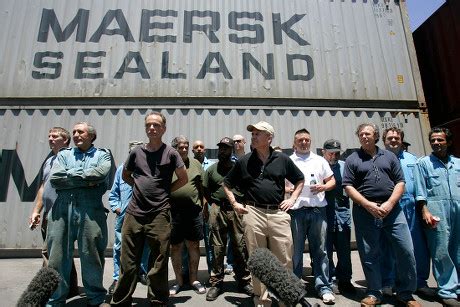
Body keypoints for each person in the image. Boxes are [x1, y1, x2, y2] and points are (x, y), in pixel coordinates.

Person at [223, 121, 305, 307]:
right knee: (258, 260)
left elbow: (299, 179)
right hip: (253, 213)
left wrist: (292, 199)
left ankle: (286, 299)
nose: (253, 136)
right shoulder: (244, 161)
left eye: (258, 133)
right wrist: (235, 203)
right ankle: (262, 300)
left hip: (278, 213)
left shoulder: (282, 159)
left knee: (284, 259)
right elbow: (227, 184)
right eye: (252, 134)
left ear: (269, 138)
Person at [111, 112, 188, 306]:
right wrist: (138, 186)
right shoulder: (136, 152)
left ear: (163, 128)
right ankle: (120, 301)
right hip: (134, 213)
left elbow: (183, 178)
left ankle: (157, 300)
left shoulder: (171, 153)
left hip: (160, 214)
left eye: (156, 125)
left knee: (158, 261)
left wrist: (165, 192)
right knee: (128, 263)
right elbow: (127, 175)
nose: (151, 128)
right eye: (148, 125)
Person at [342, 123, 420, 307]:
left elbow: (400, 182)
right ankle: (374, 292)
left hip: (393, 211)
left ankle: (406, 293)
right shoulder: (353, 159)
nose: (364, 137)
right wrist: (368, 204)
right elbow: (348, 186)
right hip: (364, 212)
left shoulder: (390, 156)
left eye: (367, 133)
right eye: (361, 134)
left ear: (376, 136)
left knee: (405, 251)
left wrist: (390, 203)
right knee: (370, 254)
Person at [47, 122, 112, 306]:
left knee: (91, 254)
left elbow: (100, 175)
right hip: (62, 208)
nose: (75, 135)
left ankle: (96, 297)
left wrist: (71, 176)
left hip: (91, 209)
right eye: (74, 132)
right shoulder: (64, 154)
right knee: (57, 257)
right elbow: (56, 178)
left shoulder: (103, 155)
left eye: (80, 132)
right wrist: (86, 179)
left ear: (91, 136)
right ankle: (56, 299)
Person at [381, 128, 433, 297]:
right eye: (390, 138)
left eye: (397, 138)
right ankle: (390, 281)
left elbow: (420, 185)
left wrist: (423, 206)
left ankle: (420, 282)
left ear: (402, 140)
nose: (394, 140)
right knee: (389, 245)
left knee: (416, 245)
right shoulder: (379, 158)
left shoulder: (413, 160)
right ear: (384, 141)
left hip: (410, 205)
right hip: (389, 205)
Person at [28, 127, 79, 298]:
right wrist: (36, 211)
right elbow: (44, 187)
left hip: (63, 213)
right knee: (62, 252)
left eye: (55, 136)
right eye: (49, 136)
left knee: (50, 253)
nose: (50, 138)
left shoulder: (72, 157)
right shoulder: (49, 161)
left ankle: (49, 289)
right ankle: (70, 288)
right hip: (48, 213)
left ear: (65, 140)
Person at [288, 129, 336, 304]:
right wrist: (291, 190)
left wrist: (323, 187)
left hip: (318, 211)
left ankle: (324, 287)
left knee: (321, 251)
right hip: (296, 211)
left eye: (307, 140)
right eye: (300, 140)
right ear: (294, 143)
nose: (304, 142)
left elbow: (332, 181)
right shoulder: (288, 161)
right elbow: (281, 185)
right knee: (296, 252)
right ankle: (294, 288)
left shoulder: (320, 160)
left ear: (311, 141)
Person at [414, 127, 460, 307]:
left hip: (458, 207)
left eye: (440, 140)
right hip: (436, 209)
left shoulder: (458, 163)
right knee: (441, 250)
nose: (436, 143)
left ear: (448, 142)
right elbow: (420, 191)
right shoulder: (423, 163)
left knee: (458, 250)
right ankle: (447, 291)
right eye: (433, 140)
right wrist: (425, 211)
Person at [203, 137, 252, 301]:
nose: (222, 151)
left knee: (240, 246)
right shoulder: (211, 170)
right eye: (221, 148)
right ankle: (216, 283)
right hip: (217, 209)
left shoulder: (239, 169)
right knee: (217, 248)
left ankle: (244, 281)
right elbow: (205, 190)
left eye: (226, 148)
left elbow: (247, 188)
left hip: (236, 210)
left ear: (232, 150)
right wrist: (214, 205)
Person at [108, 141, 150, 295]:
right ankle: (117, 277)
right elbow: (113, 194)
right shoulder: (121, 170)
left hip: (144, 214)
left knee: (145, 245)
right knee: (120, 247)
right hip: (124, 216)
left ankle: (142, 272)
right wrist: (117, 208)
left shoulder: (148, 170)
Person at [168, 136, 206, 296]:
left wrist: (204, 207)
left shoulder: (196, 164)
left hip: (193, 212)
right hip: (173, 213)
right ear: (174, 148)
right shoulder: (167, 165)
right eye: (180, 147)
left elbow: (202, 187)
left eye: (185, 147)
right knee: (175, 247)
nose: (183, 149)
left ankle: (194, 280)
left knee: (194, 245)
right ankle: (178, 281)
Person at [322, 139, 355, 295]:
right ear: (324, 152)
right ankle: (331, 279)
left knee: (344, 250)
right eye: (331, 153)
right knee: (325, 250)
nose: (334, 156)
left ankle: (345, 280)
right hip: (324, 214)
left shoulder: (344, 167)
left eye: (337, 153)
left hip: (342, 213)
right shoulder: (319, 166)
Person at [192, 139, 215, 275]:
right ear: (193, 150)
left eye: (202, 146)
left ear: (205, 150)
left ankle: (212, 273)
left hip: (209, 209)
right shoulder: (187, 165)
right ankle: (188, 274)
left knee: (210, 242)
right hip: (192, 209)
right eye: (196, 147)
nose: (199, 149)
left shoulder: (212, 166)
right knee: (190, 243)